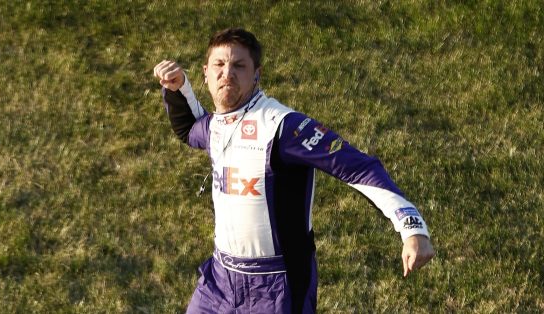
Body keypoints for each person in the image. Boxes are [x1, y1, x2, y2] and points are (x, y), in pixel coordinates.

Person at [153, 28, 434, 314]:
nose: (228, 73)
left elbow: (358, 168)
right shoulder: (216, 125)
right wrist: (179, 88)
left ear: (256, 74)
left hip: (276, 287)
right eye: (219, 65)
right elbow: (190, 128)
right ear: (206, 73)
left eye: (239, 65)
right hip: (219, 281)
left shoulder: (284, 127)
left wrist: (411, 227)